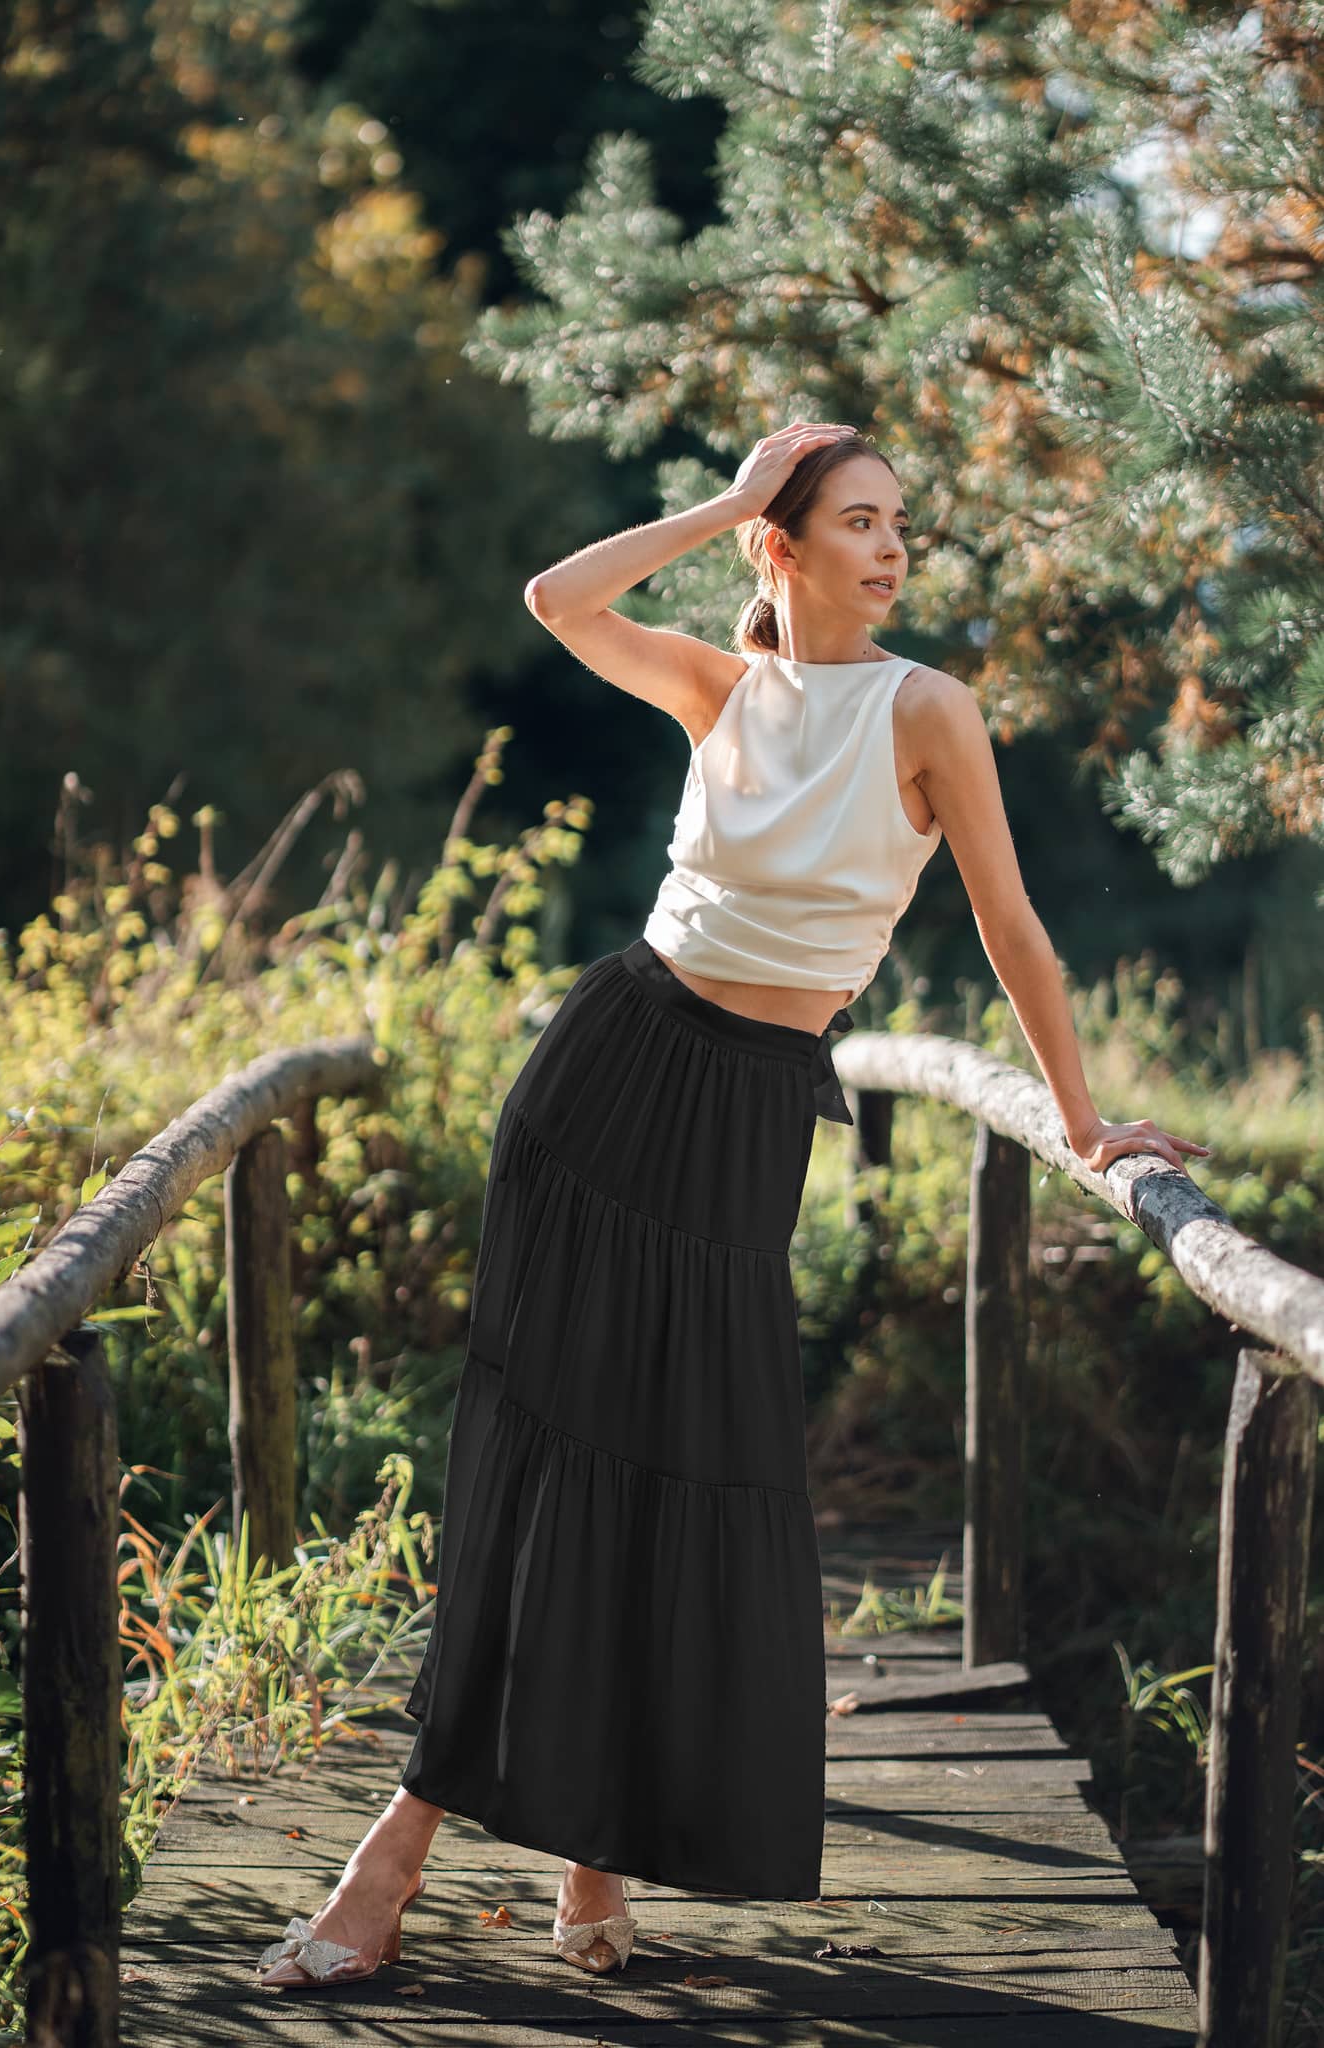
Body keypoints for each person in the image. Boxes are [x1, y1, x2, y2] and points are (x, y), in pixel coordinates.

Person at [257, 420, 1210, 1991]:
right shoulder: (722, 684)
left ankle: (589, 1856)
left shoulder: (929, 711)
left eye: (900, 520)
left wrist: (1090, 1121)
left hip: (743, 1119)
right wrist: (719, 498)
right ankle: (395, 1859)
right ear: (785, 544)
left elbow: (1011, 930)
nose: (892, 547)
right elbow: (557, 598)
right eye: (854, 520)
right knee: (546, 1465)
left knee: (677, 1465)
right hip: (602, 1083)